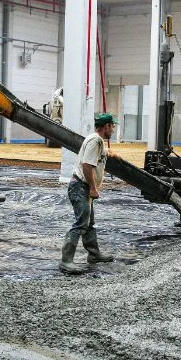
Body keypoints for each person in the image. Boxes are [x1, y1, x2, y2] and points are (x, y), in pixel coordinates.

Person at [59, 112, 118, 275]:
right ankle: (66, 261)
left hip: (82, 187)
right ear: (106, 126)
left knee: (88, 223)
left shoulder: (97, 141)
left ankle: (93, 254)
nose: (113, 130)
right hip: (80, 187)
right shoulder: (95, 141)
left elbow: (98, 155)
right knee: (81, 223)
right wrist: (93, 188)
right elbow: (87, 165)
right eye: (112, 126)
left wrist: (112, 153)